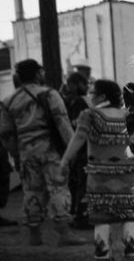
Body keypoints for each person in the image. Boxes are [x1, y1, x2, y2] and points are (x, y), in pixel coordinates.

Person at [0, 59, 82, 247]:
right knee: (58, 187)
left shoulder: (8, 101)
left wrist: (16, 155)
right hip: (50, 149)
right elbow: (63, 123)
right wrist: (72, 149)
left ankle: (34, 234)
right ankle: (64, 233)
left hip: (26, 152)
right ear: (37, 74)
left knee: (31, 190)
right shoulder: (49, 94)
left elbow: (5, 134)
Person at [60, 79, 134, 261]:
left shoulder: (89, 115)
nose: (91, 96)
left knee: (101, 214)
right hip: (128, 172)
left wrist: (65, 160)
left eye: (93, 93)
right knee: (129, 211)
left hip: (100, 174)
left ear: (102, 96)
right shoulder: (129, 115)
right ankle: (133, 251)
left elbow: (79, 137)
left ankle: (103, 253)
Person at [61, 71, 92, 230]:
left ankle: (81, 215)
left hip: (82, 149)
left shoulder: (78, 102)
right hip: (91, 148)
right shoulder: (88, 100)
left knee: (82, 182)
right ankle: (82, 213)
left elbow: (75, 126)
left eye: (71, 84)